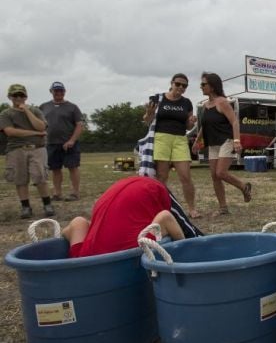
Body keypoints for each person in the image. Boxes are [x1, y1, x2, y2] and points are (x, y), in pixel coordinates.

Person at [62, 176, 201, 258]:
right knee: (80, 221)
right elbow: (76, 223)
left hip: (138, 188)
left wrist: (183, 251)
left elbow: (164, 217)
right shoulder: (81, 256)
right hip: (131, 189)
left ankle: (196, 244)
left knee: (189, 234)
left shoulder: (81, 255)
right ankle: (196, 243)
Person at [192, 72, 251, 215]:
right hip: (213, 143)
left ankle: (244, 187)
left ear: (212, 86)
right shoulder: (206, 106)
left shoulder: (222, 102)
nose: (201, 87)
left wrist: (237, 141)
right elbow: (204, 126)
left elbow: (234, 122)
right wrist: (196, 141)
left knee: (221, 172)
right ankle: (223, 208)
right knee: (214, 176)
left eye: (203, 84)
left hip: (227, 140)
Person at [143, 73, 199, 218]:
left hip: (180, 139)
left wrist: (191, 122)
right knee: (162, 176)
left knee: (185, 176)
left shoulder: (187, 103)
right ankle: (161, 209)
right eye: (178, 84)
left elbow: (187, 126)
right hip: (162, 138)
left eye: (184, 86)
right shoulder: (157, 98)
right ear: (172, 83)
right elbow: (147, 121)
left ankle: (192, 209)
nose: (181, 87)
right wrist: (148, 113)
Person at [0, 84, 55, 219]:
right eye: (15, 95)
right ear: (9, 97)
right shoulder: (5, 114)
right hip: (16, 149)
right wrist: (35, 133)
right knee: (20, 179)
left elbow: (41, 126)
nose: (18, 98)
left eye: (21, 95)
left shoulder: (35, 111)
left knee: (40, 176)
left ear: (26, 97)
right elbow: (10, 131)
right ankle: (26, 207)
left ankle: (47, 204)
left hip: (37, 148)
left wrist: (27, 111)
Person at [40, 81, 83, 201]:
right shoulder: (43, 107)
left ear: (64, 92)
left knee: (73, 167)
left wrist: (72, 140)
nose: (58, 93)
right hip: (51, 143)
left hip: (69, 143)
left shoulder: (73, 107)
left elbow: (79, 125)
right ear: (51, 92)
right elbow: (39, 124)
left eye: (61, 91)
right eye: (56, 91)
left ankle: (75, 193)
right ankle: (57, 193)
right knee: (55, 169)